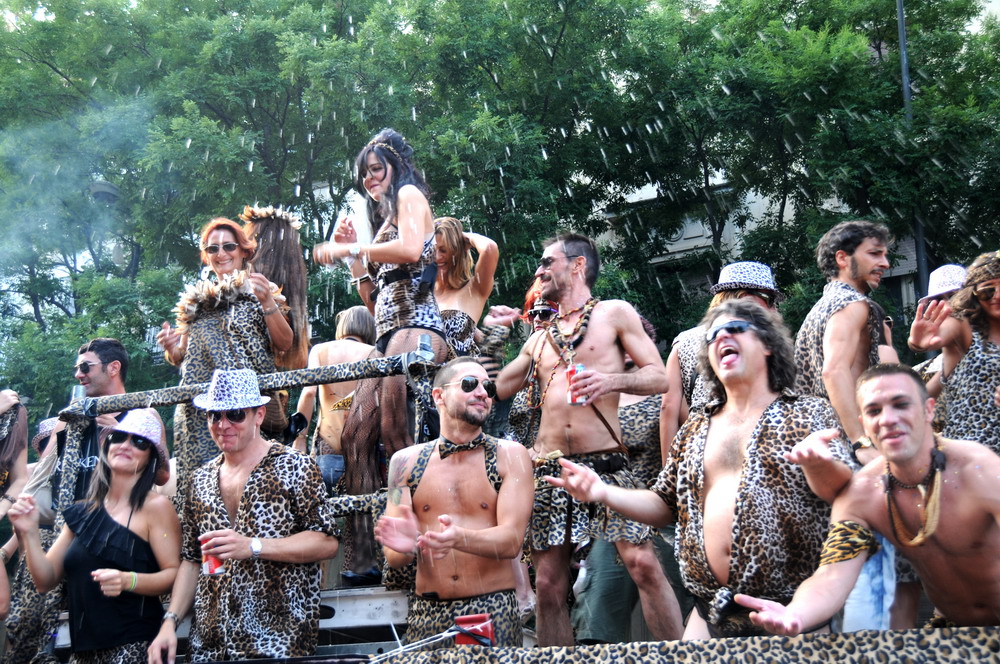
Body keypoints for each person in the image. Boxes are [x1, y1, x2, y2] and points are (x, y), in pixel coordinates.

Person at [550, 301, 854, 638]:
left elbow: (846, 496)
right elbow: (664, 506)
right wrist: (602, 492)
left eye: (735, 328)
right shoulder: (696, 427)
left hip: (794, 615)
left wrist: (820, 466)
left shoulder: (808, 414)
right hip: (710, 614)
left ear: (768, 345)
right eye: (713, 334)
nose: (722, 336)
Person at [495, 233, 682, 646]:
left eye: (548, 261)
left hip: (607, 464)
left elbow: (659, 377)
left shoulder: (614, 313)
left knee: (643, 564)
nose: (539, 270)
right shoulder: (540, 337)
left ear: (577, 265)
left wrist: (610, 380)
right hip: (551, 469)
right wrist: (495, 336)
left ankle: (679, 657)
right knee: (548, 584)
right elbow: (499, 388)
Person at [735, 363, 1000, 633]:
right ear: (864, 424)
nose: (887, 419)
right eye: (874, 411)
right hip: (959, 631)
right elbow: (832, 575)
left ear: (928, 410)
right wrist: (796, 614)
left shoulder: (978, 470)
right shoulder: (863, 495)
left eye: (901, 405)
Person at [313, 128, 449, 579]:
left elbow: (410, 250)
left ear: (397, 166)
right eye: (364, 174)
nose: (370, 179)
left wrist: (352, 246)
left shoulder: (410, 195)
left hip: (418, 329)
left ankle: (421, 546)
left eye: (376, 169)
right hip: (388, 335)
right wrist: (355, 262)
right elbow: (376, 302)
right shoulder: (386, 219)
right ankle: (366, 557)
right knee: (355, 437)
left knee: (397, 436)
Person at [148, 369, 339, 664]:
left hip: (277, 642)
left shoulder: (295, 466)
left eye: (235, 414)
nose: (222, 424)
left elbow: (326, 542)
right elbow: (192, 559)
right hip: (209, 645)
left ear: (258, 415)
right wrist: (169, 623)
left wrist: (253, 546)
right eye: (214, 415)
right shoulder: (200, 480)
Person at [374, 357, 533, 649]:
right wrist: (403, 546)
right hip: (427, 611)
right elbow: (396, 558)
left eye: (488, 387)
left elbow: (512, 541)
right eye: (470, 384)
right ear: (439, 395)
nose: (483, 393)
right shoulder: (404, 462)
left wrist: (459, 538)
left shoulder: (510, 455)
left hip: (489, 608)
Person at [10, 408, 180, 663]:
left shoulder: (156, 507)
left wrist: (129, 580)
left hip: (134, 646)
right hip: (83, 651)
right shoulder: (82, 511)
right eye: (118, 437)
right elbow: (45, 580)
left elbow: (173, 573)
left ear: (150, 458)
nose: (126, 445)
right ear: (106, 446)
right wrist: (29, 532)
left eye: (139, 441)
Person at [792, 219, 897, 631]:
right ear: (842, 257)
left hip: (819, 454)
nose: (885, 263)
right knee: (869, 580)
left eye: (885, 254)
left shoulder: (821, 307)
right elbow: (835, 371)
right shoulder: (854, 304)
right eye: (875, 253)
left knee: (834, 576)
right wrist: (861, 442)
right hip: (847, 454)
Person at [4, 339, 130, 664]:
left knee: (100, 632)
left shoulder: (140, 413)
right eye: (77, 368)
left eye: (85, 367)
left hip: (113, 539)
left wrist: (121, 433)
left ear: (113, 368)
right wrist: (16, 532)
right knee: (25, 621)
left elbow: (160, 477)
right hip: (64, 534)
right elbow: (39, 478)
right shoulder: (67, 419)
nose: (78, 374)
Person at [572, 317, 694, 643]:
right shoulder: (593, 400)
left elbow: (694, 443)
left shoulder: (666, 395)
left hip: (663, 515)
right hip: (613, 517)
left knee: (676, 608)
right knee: (596, 617)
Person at [156, 218, 293, 503]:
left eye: (229, 246)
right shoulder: (196, 302)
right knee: (203, 496)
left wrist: (268, 303)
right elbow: (182, 357)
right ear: (206, 256)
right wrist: (171, 347)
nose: (221, 253)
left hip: (245, 410)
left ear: (244, 251)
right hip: (200, 416)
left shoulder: (261, 289)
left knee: (255, 491)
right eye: (213, 248)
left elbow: (285, 343)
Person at [660, 261, 783, 460]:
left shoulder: (682, 341)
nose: (774, 309)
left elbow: (668, 408)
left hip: (701, 449)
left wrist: (668, 468)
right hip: (757, 443)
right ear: (745, 298)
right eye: (769, 299)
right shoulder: (759, 339)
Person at [909, 252, 1000, 454]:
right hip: (967, 450)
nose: (947, 305)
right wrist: (916, 344)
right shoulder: (958, 328)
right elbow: (922, 401)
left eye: (953, 296)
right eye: (938, 299)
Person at [293, 305, 377, 493]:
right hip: (362, 456)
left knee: (322, 508)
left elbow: (309, 393)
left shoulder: (320, 350)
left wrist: (300, 438)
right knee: (361, 510)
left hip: (327, 453)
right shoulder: (375, 353)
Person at [433, 217, 499, 357]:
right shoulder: (420, 292)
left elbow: (489, 248)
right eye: (432, 250)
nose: (437, 257)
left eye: (444, 250)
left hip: (458, 370)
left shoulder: (474, 289)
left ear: (456, 251)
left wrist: (463, 238)